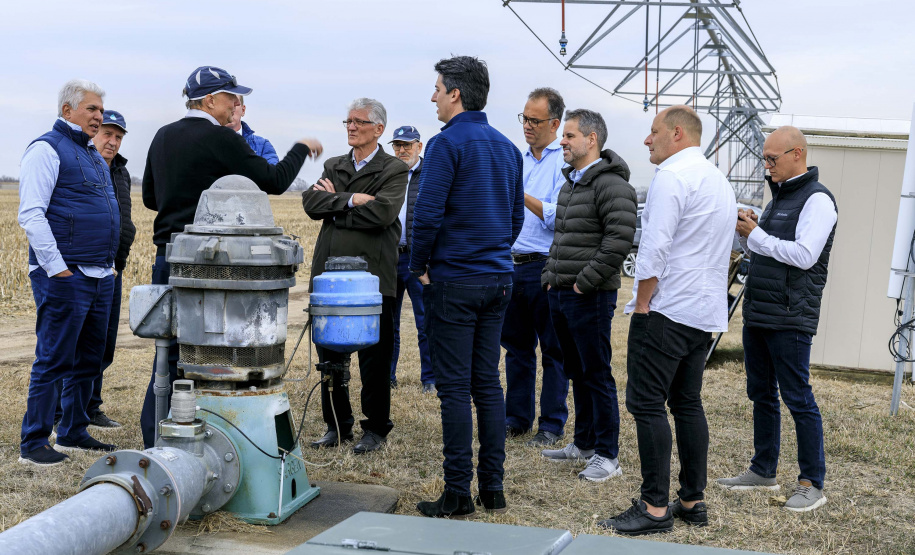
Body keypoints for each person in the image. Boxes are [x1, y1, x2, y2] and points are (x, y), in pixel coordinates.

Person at [141, 65, 323, 449]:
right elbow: (273, 180)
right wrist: (301, 148)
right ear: (210, 100)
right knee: (213, 354)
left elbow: (150, 199)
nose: (236, 105)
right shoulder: (221, 139)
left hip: (167, 257)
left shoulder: (161, 136)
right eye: (231, 97)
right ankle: (215, 438)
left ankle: (156, 443)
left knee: (167, 353)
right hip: (211, 263)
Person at [600, 105, 736, 535]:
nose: (646, 140)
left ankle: (655, 507)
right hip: (702, 312)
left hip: (668, 308)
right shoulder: (718, 180)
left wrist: (641, 304)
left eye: (652, 132)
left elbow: (654, 249)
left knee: (645, 403)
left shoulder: (672, 177)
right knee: (687, 403)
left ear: (676, 134)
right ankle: (692, 501)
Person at [413, 56, 524, 519]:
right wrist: (492, 250)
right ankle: (493, 489)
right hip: (498, 279)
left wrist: (420, 264)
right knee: (488, 385)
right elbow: (516, 218)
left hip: (455, 279)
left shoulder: (445, 145)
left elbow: (426, 213)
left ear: (455, 93)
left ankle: (458, 493)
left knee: (454, 389)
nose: (434, 96)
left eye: (438, 88)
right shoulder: (507, 148)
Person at [717, 126, 836, 513]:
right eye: (764, 159)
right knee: (761, 394)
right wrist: (749, 229)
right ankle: (763, 470)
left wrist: (758, 234)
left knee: (798, 398)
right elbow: (767, 251)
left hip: (790, 317)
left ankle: (811, 483)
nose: (766, 166)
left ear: (797, 154)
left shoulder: (818, 200)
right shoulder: (777, 198)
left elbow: (804, 256)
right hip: (761, 314)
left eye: (772, 159)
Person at [18, 79, 120, 466]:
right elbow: (31, 213)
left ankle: (75, 431)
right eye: (92, 110)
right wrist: (57, 269)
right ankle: (34, 441)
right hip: (66, 274)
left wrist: (108, 269)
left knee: (89, 360)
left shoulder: (91, 154)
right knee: (55, 359)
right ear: (67, 111)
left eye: (100, 110)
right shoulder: (47, 148)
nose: (99, 116)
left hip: (99, 275)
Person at [302, 98, 406, 454]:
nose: (351, 126)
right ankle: (336, 425)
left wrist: (337, 205)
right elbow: (310, 204)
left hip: (372, 278)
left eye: (359, 122)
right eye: (347, 120)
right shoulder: (334, 163)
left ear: (378, 129)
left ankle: (375, 429)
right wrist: (351, 200)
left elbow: (383, 213)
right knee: (329, 357)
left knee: (374, 360)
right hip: (330, 278)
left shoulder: (393, 169)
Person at [540, 109, 637, 484]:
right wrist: (551, 277)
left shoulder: (612, 186)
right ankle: (582, 444)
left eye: (568, 136)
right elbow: (560, 239)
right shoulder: (571, 185)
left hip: (590, 295)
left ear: (591, 139)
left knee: (597, 374)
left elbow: (618, 241)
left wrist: (583, 283)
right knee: (576, 371)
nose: (561, 141)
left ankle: (608, 455)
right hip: (561, 292)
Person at [53, 109, 136, 431]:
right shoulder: (78, 167)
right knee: (71, 344)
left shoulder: (121, 172)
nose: (112, 142)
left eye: (118, 137)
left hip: (112, 270)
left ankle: (89, 407)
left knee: (101, 345)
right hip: (80, 270)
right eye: (107, 134)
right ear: (92, 134)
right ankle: (60, 413)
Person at [502, 88, 568, 447]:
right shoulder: (517, 159)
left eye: (535, 120)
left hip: (544, 265)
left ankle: (551, 424)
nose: (527, 126)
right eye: (524, 118)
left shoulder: (564, 161)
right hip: (511, 264)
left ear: (555, 124)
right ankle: (516, 418)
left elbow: (557, 216)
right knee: (516, 348)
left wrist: (518, 194)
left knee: (553, 350)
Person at [387, 125, 434, 393]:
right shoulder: (387, 175)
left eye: (408, 144)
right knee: (388, 323)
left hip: (419, 260)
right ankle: (388, 376)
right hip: (391, 257)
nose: (402, 150)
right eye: (398, 145)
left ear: (419, 146)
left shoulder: (430, 174)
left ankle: (429, 378)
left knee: (425, 321)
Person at [227, 95, 279, 164]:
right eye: (226, 103)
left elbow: (273, 172)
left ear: (243, 110)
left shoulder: (263, 145)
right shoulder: (208, 143)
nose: (231, 108)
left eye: (235, 103)